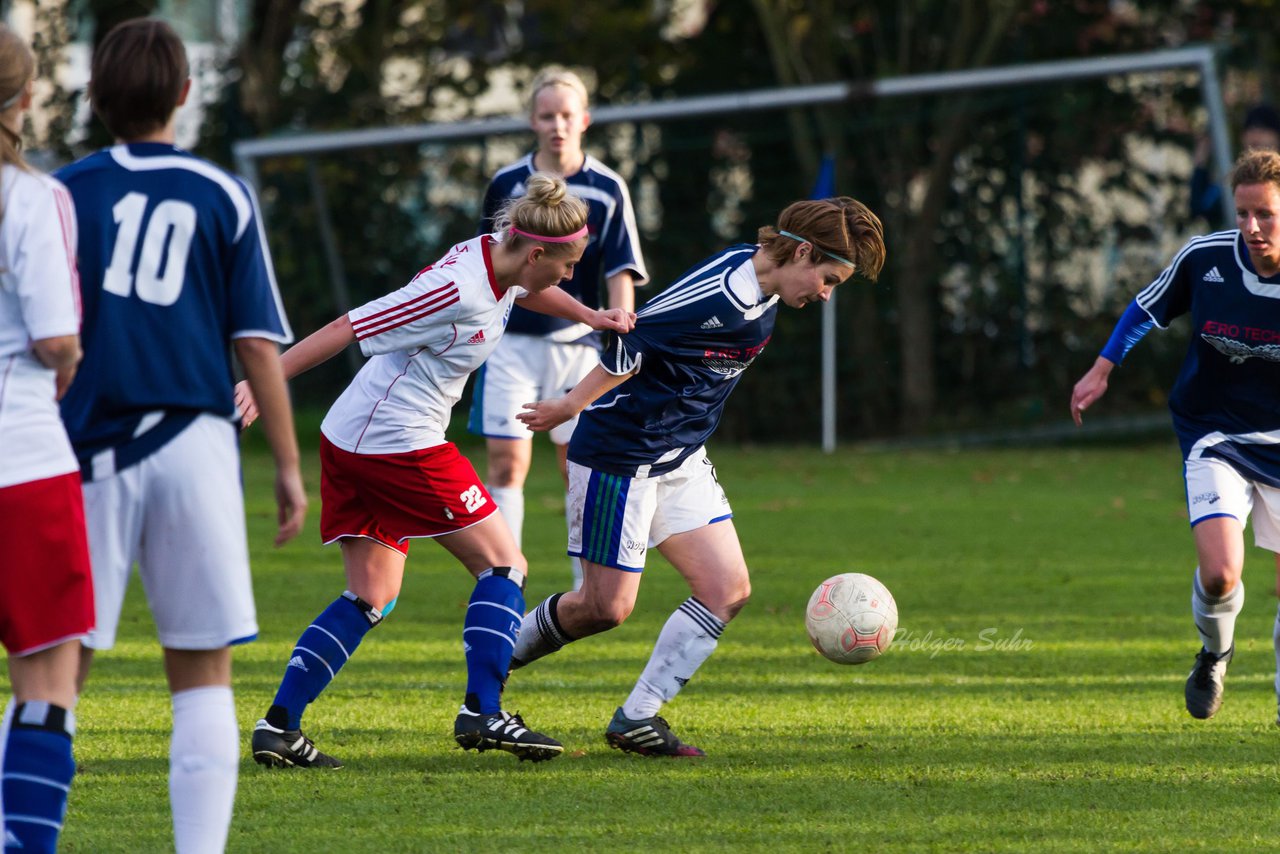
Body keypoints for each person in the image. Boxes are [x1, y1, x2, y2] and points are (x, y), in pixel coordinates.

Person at [240, 172, 634, 769]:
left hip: (357, 435)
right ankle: (483, 709)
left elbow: (530, 291)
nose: (569, 274)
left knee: (371, 594)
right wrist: (263, 387)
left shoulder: (497, 259)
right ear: (534, 252)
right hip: (395, 442)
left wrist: (591, 315)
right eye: (567, 265)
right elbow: (349, 325)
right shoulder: (458, 289)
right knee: (504, 563)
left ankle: (279, 729)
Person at [55, 19, 306, 854]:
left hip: (84, 448)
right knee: (201, 673)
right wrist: (286, 463)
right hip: (195, 443)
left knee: (58, 671)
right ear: (186, 94)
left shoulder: (64, 194)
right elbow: (257, 344)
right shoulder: (220, 193)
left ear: (94, 98)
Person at [512, 197, 886, 756]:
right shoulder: (715, 295)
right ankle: (488, 662)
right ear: (801, 252)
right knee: (602, 608)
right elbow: (631, 340)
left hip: (680, 458)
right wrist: (569, 405)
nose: (825, 294)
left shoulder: (767, 284)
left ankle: (636, 719)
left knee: (726, 591)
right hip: (622, 456)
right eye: (828, 279)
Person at [1071, 149, 1280, 723]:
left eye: (1264, 214)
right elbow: (1145, 308)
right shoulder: (1207, 258)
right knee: (1219, 574)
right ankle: (1215, 654)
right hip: (1214, 432)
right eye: (1242, 213)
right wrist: (1102, 367)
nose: (1251, 227)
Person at [468, 66, 648, 590]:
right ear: (532, 120)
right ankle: (503, 579)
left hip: (579, 347)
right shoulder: (506, 183)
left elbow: (621, 269)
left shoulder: (609, 188)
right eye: (547, 115)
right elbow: (489, 264)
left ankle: (584, 585)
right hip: (510, 345)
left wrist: (619, 339)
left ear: (584, 120)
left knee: (579, 467)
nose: (557, 125)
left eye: (567, 115)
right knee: (506, 464)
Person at [0, 25, 95, 853]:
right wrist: (65, 365)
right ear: (26, 98)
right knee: (45, 680)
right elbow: (56, 341)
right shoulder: (35, 199)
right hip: (24, 464)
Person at [1190, 103, 1280, 229]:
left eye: (1263, 129)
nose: (1255, 135)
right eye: (1251, 129)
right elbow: (1201, 209)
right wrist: (1200, 165)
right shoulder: (1233, 177)